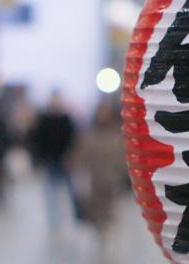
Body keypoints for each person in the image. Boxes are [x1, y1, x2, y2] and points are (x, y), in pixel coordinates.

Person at [73, 100, 126, 246]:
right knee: (97, 211)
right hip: (95, 180)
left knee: (109, 210)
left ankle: (106, 232)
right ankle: (100, 231)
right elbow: (81, 156)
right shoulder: (89, 136)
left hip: (111, 179)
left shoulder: (116, 135)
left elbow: (121, 157)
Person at [29, 90, 77, 232]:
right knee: (50, 192)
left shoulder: (65, 119)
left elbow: (72, 139)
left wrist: (71, 156)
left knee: (69, 190)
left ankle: (75, 216)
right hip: (50, 160)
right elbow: (37, 141)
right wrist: (38, 160)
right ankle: (54, 220)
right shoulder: (44, 120)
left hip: (64, 159)